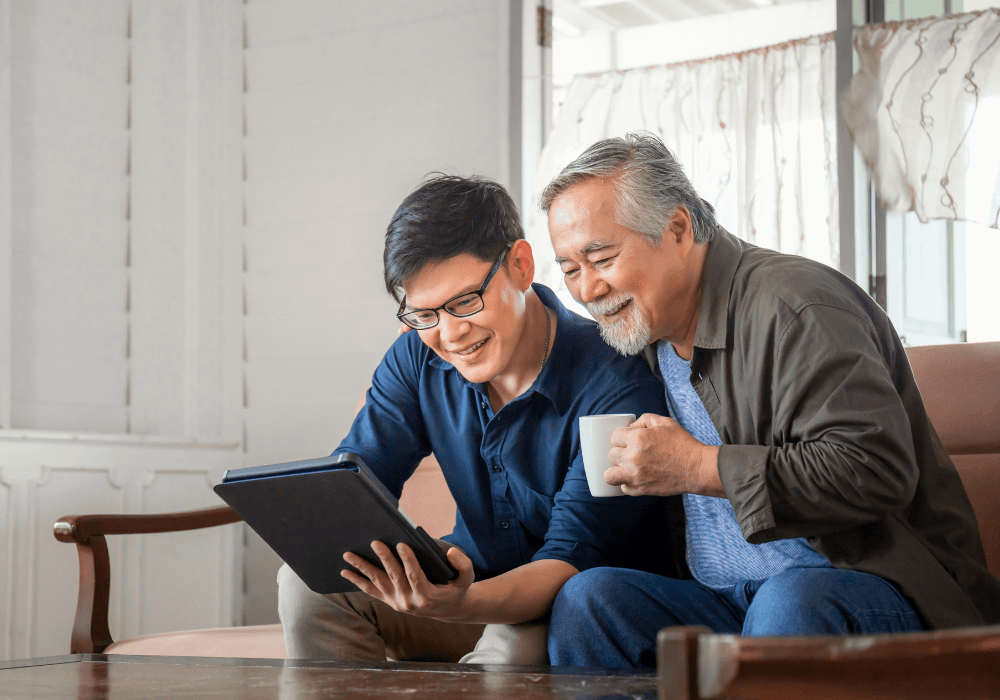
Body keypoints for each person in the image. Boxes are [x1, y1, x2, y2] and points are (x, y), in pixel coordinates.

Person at [539, 132, 1000, 668]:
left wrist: (697, 466)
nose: (588, 289)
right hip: (730, 601)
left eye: (602, 258)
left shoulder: (797, 305)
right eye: (570, 269)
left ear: (678, 228)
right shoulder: (644, 334)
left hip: (873, 592)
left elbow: (875, 468)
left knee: (789, 602)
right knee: (588, 602)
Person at [278, 174, 674, 665]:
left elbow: (569, 562)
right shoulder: (417, 359)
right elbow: (357, 485)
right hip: (465, 585)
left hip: (561, 606)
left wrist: (458, 603)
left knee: (509, 651)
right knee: (306, 583)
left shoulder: (617, 383)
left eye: (465, 301)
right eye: (424, 314)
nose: (450, 334)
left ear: (521, 266)